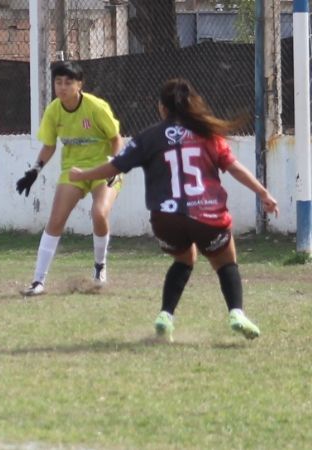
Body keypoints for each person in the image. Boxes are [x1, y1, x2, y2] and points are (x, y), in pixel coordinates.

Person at [69, 78, 279, 341]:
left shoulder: (149, 137)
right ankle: (236, 312)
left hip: (166, 217)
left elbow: (115, 166)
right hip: (207, 214)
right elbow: (234, 167)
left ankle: (165, 316)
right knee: (226, 262)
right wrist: (263, 193)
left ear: (162, 108)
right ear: (191, 104)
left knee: (183, 260)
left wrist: (82, 174)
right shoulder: (208, 135)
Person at [16, 61, 124, 296]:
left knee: (98, 213)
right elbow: (49, 146)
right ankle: (38, 281)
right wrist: (34, 171)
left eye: (68, 82)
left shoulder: (95, 107)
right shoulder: (54, 110)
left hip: (103, 167)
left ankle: (99, 267)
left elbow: (117, 139)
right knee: (55, 220)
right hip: (73, 170)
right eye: (58, 82)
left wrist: (114, 167)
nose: (62, 87)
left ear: (79, 84)